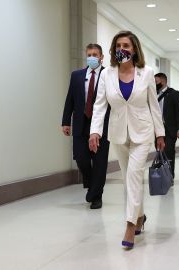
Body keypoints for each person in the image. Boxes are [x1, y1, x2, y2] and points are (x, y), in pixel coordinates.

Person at [88, 31, 165, 249]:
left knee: (133, 176)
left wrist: (160, 133)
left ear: (134, 49)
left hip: (142, 132)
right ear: (114, 50)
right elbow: (100, 104)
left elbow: (154, 105)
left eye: (127, 45)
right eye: (119, 45)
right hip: (118, 133)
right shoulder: (107, 74)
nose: (123, 49)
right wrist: (95, 131)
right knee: (127, 178)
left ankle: (130, 225)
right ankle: (140, 215)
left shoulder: (146, 72)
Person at [61, 43, 109, 210]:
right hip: (81, 124)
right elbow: (70, 99)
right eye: (89, 54)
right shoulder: (77, 76)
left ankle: (96, 196)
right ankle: (91, 186)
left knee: (100, 162)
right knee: (81, 158)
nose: (92, 57)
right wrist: (66, 121)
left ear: (102, 57)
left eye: (95, 54)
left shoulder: (108, 75)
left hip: (102, 125)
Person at [154, 72, 179, 180]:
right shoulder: (153, 94)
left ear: (162, 81)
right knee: (160, 152)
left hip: (170, 129)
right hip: (157, 129)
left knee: (169, 152)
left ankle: (170, 176)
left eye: (156, 81)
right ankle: (162, 175)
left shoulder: (173, 93)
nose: (154, 83)